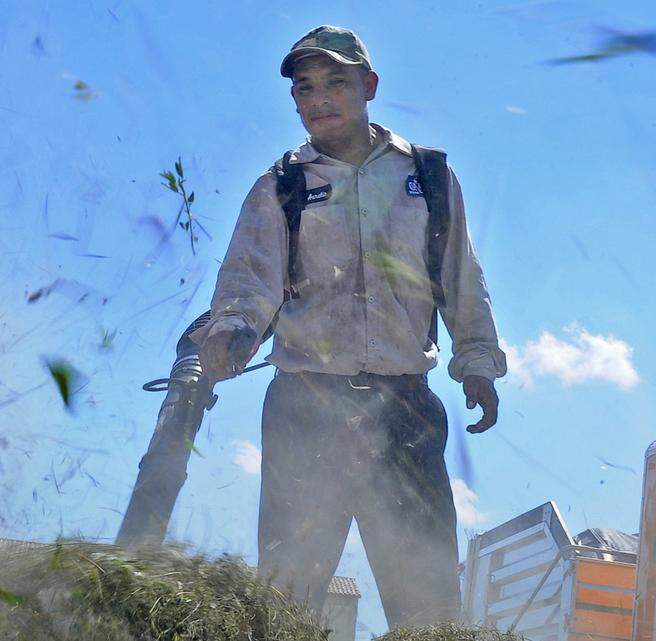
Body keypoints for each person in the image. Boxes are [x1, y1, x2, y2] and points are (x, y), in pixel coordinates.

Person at [192, 25, 507, 627]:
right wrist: (230, 336)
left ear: (369, 86)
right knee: (286, 598)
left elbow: (459, 277)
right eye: (304, 89)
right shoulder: (282, 186)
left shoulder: (429, 178)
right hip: (306, 408)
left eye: (336, 82)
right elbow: (248, 283)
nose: (319, 99)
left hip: (404, 409)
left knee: (428, 602)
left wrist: (478, 362)